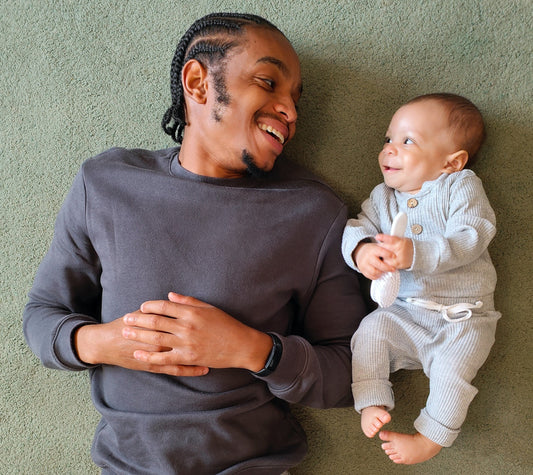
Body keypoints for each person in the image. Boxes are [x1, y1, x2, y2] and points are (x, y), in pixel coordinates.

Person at [23, 12, 367, 475]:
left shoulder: (315, 214)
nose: (291, 111)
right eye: (268, 83)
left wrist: (252, 350)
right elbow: (43, 315)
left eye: (295, 99)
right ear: (198, 83)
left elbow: (350, 376)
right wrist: (105, 343)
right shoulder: (104, 184)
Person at [342, 93, 501, 464]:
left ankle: (430, 437)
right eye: (388, 140)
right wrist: (362, 250)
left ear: (452, 162)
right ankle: (371, 400)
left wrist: (417, 252)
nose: (389, 150)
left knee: (452, 374)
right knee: (370, 332)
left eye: (406, 141)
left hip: (464, 318)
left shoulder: (459, 186)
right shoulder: (383, 198)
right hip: (405, 314)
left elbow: (473, 235)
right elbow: (356, 228)